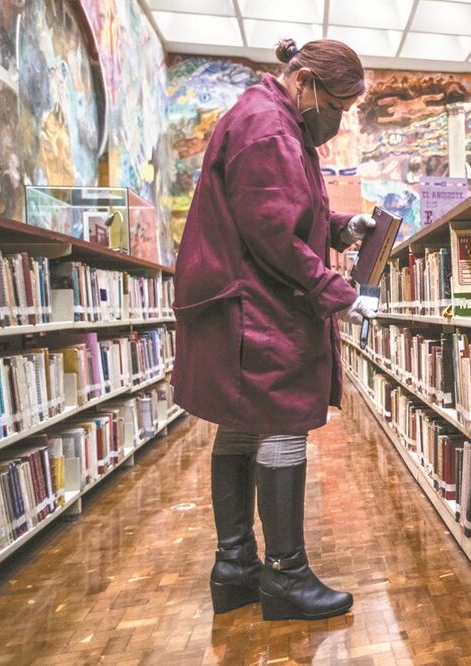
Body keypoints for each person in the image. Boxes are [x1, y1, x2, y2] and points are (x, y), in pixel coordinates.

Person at [171, 37, 375, 621]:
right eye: (335, 102)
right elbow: (272, 235)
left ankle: (235, 567)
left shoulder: (273, 119)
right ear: (303, 81)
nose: (336, 118)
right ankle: (285, 575)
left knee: (241, 425)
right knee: (282, 418)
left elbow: (282, 207)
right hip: (257, 307)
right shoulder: (269, 128)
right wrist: (340, 295)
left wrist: (341, 227)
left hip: (245, 301)